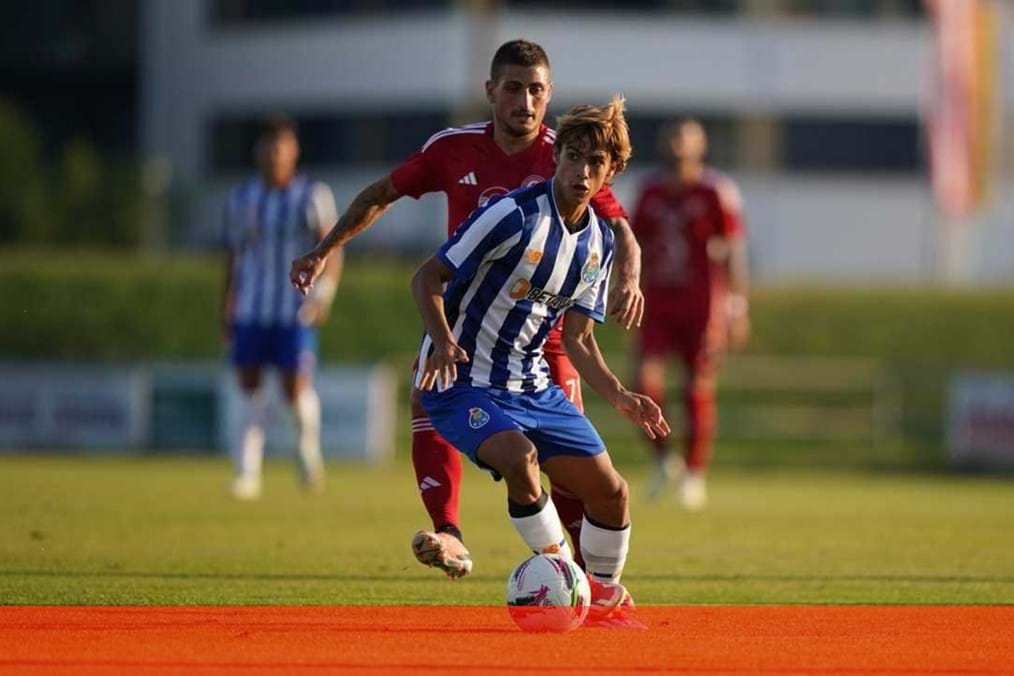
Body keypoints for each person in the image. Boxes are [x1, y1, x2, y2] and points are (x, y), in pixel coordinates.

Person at [289, 40, 644, 578]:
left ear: (549, 97)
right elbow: (383, 194)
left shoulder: (569, 153)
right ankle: (452, 533)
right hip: (464, 321)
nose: (525, 101)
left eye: (537, 91)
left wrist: (629, 279)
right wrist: (324, 249)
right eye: (514, 89)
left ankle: (585, 582)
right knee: (428, 399)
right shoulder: (454, 150)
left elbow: (617, 229)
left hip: (546, 336)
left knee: (574, 474)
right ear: (491, 92)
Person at [411, 95, 667, 622]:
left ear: (610, 174)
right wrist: (440, 340)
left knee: (612, 494)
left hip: (533, 385)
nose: (581, 170)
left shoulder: (598, 242)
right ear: (558, 158)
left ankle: (601, 598)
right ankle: (561, 577)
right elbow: (426, 278)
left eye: (595, 163)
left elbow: (578, 341)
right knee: (521, 458)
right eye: (573, 156)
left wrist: (620, 395)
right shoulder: (511, 215)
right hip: (462, 382)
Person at [630, 118, 750, 510]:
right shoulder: (649, 191)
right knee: (642, 382)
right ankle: (666, 459)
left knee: (696, 387)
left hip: (702, 305)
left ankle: (695, 474)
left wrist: (736, 306)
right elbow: (633, 245)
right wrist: (624, 289)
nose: (679, 144)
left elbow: (733, 250)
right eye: (674, 136)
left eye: (687, 137)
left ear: (701, 145)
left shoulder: (716, 190)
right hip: (658, 302)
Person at [222, 116, 341, 500]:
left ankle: (307, 455)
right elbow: (233, 257)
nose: (275, 155)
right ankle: (247, 472)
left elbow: (332, 248)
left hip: (294, 308)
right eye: (268, 147)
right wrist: (227, 306)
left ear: (294, 151)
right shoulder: (242, 197)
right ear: (258, 151)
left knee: (294, 389)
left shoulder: (312, 195)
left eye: (282, 147)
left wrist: (323, 295)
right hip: (252, 309)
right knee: (247, 385)